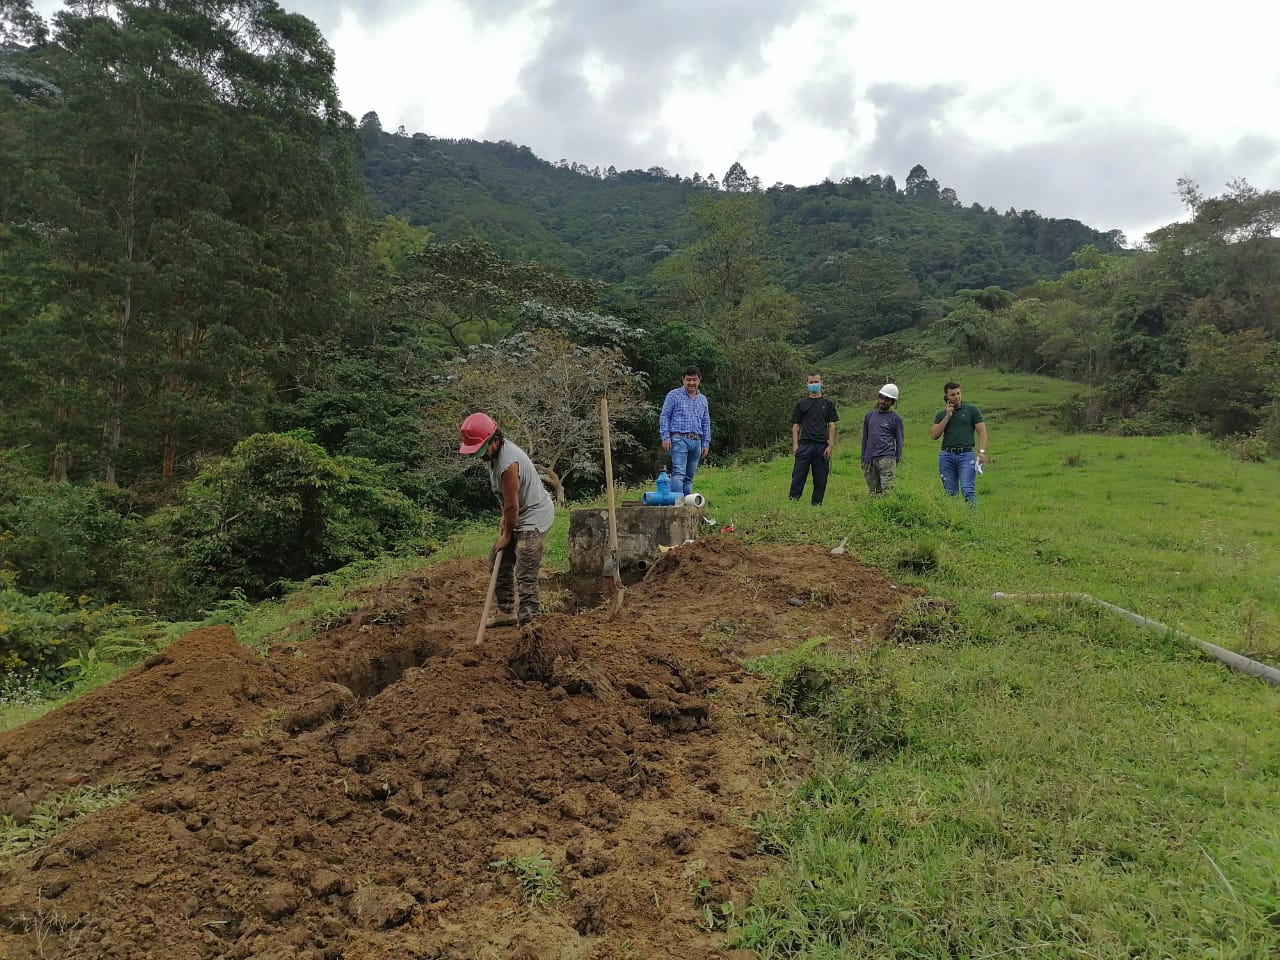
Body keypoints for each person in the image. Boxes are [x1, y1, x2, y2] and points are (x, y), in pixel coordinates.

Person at [458, 412, 556, 627]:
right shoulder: (494, 455)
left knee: (525, 570)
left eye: (480, 449)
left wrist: (508, 534)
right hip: (517, 512)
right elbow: (507, 501)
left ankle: (531, 625)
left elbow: (513, 504)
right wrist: (505, 519)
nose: (478, 455)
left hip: (534, 515)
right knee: (497, 561)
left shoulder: (508, 463)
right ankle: (506, 612)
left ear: (495, 440)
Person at [929, 381, 988, 507]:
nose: (956, 397)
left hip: (966, 454)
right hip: (947, 455)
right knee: (950, 493)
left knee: (967, 490)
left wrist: (982, 451)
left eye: (958, 393)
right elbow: (934, 435)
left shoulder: (972, 410)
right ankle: (954, 520)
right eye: (952, 395)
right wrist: (947, 417)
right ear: (946, 397)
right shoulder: (941, 414)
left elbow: (982, 431)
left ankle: (972, 520)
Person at [659, 365, 711, 497]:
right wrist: (665, 437)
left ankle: (687, 505)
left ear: (699, 380)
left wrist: (706, 443)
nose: (691, 383)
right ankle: (676, 504)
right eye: (688, 379)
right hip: (679, 439)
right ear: (683, 380)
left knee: (689, 476)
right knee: (678, 472)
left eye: (694, 379)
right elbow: (665, 416)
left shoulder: (703, 399)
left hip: (696, 441)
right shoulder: (673, 395)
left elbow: (706, 422)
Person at [789, 372, 839, 505]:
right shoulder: (801, 404)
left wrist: (831, 445)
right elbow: (795, 425)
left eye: (816, 382)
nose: (814, 385)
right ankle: (793, 501)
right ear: (807, 385)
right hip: (804, 445)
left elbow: (832, 425)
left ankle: (816, 504)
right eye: (811, 382)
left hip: (822, 446)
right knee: (798, 476)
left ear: (822, 383)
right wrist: (795, 444)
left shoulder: (828, 404)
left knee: (821, 478)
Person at [861, 383, 904, 495]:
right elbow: (865, 438)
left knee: (887, 492)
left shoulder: (896, 419)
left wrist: (896, 459)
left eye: (887, 399)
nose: (883, 401)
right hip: (869, 459)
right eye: (881, 398)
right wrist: (863, 458)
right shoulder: (869, 416)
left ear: (892, 402)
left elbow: (900, 441)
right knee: (873, 493)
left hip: (887, 459)